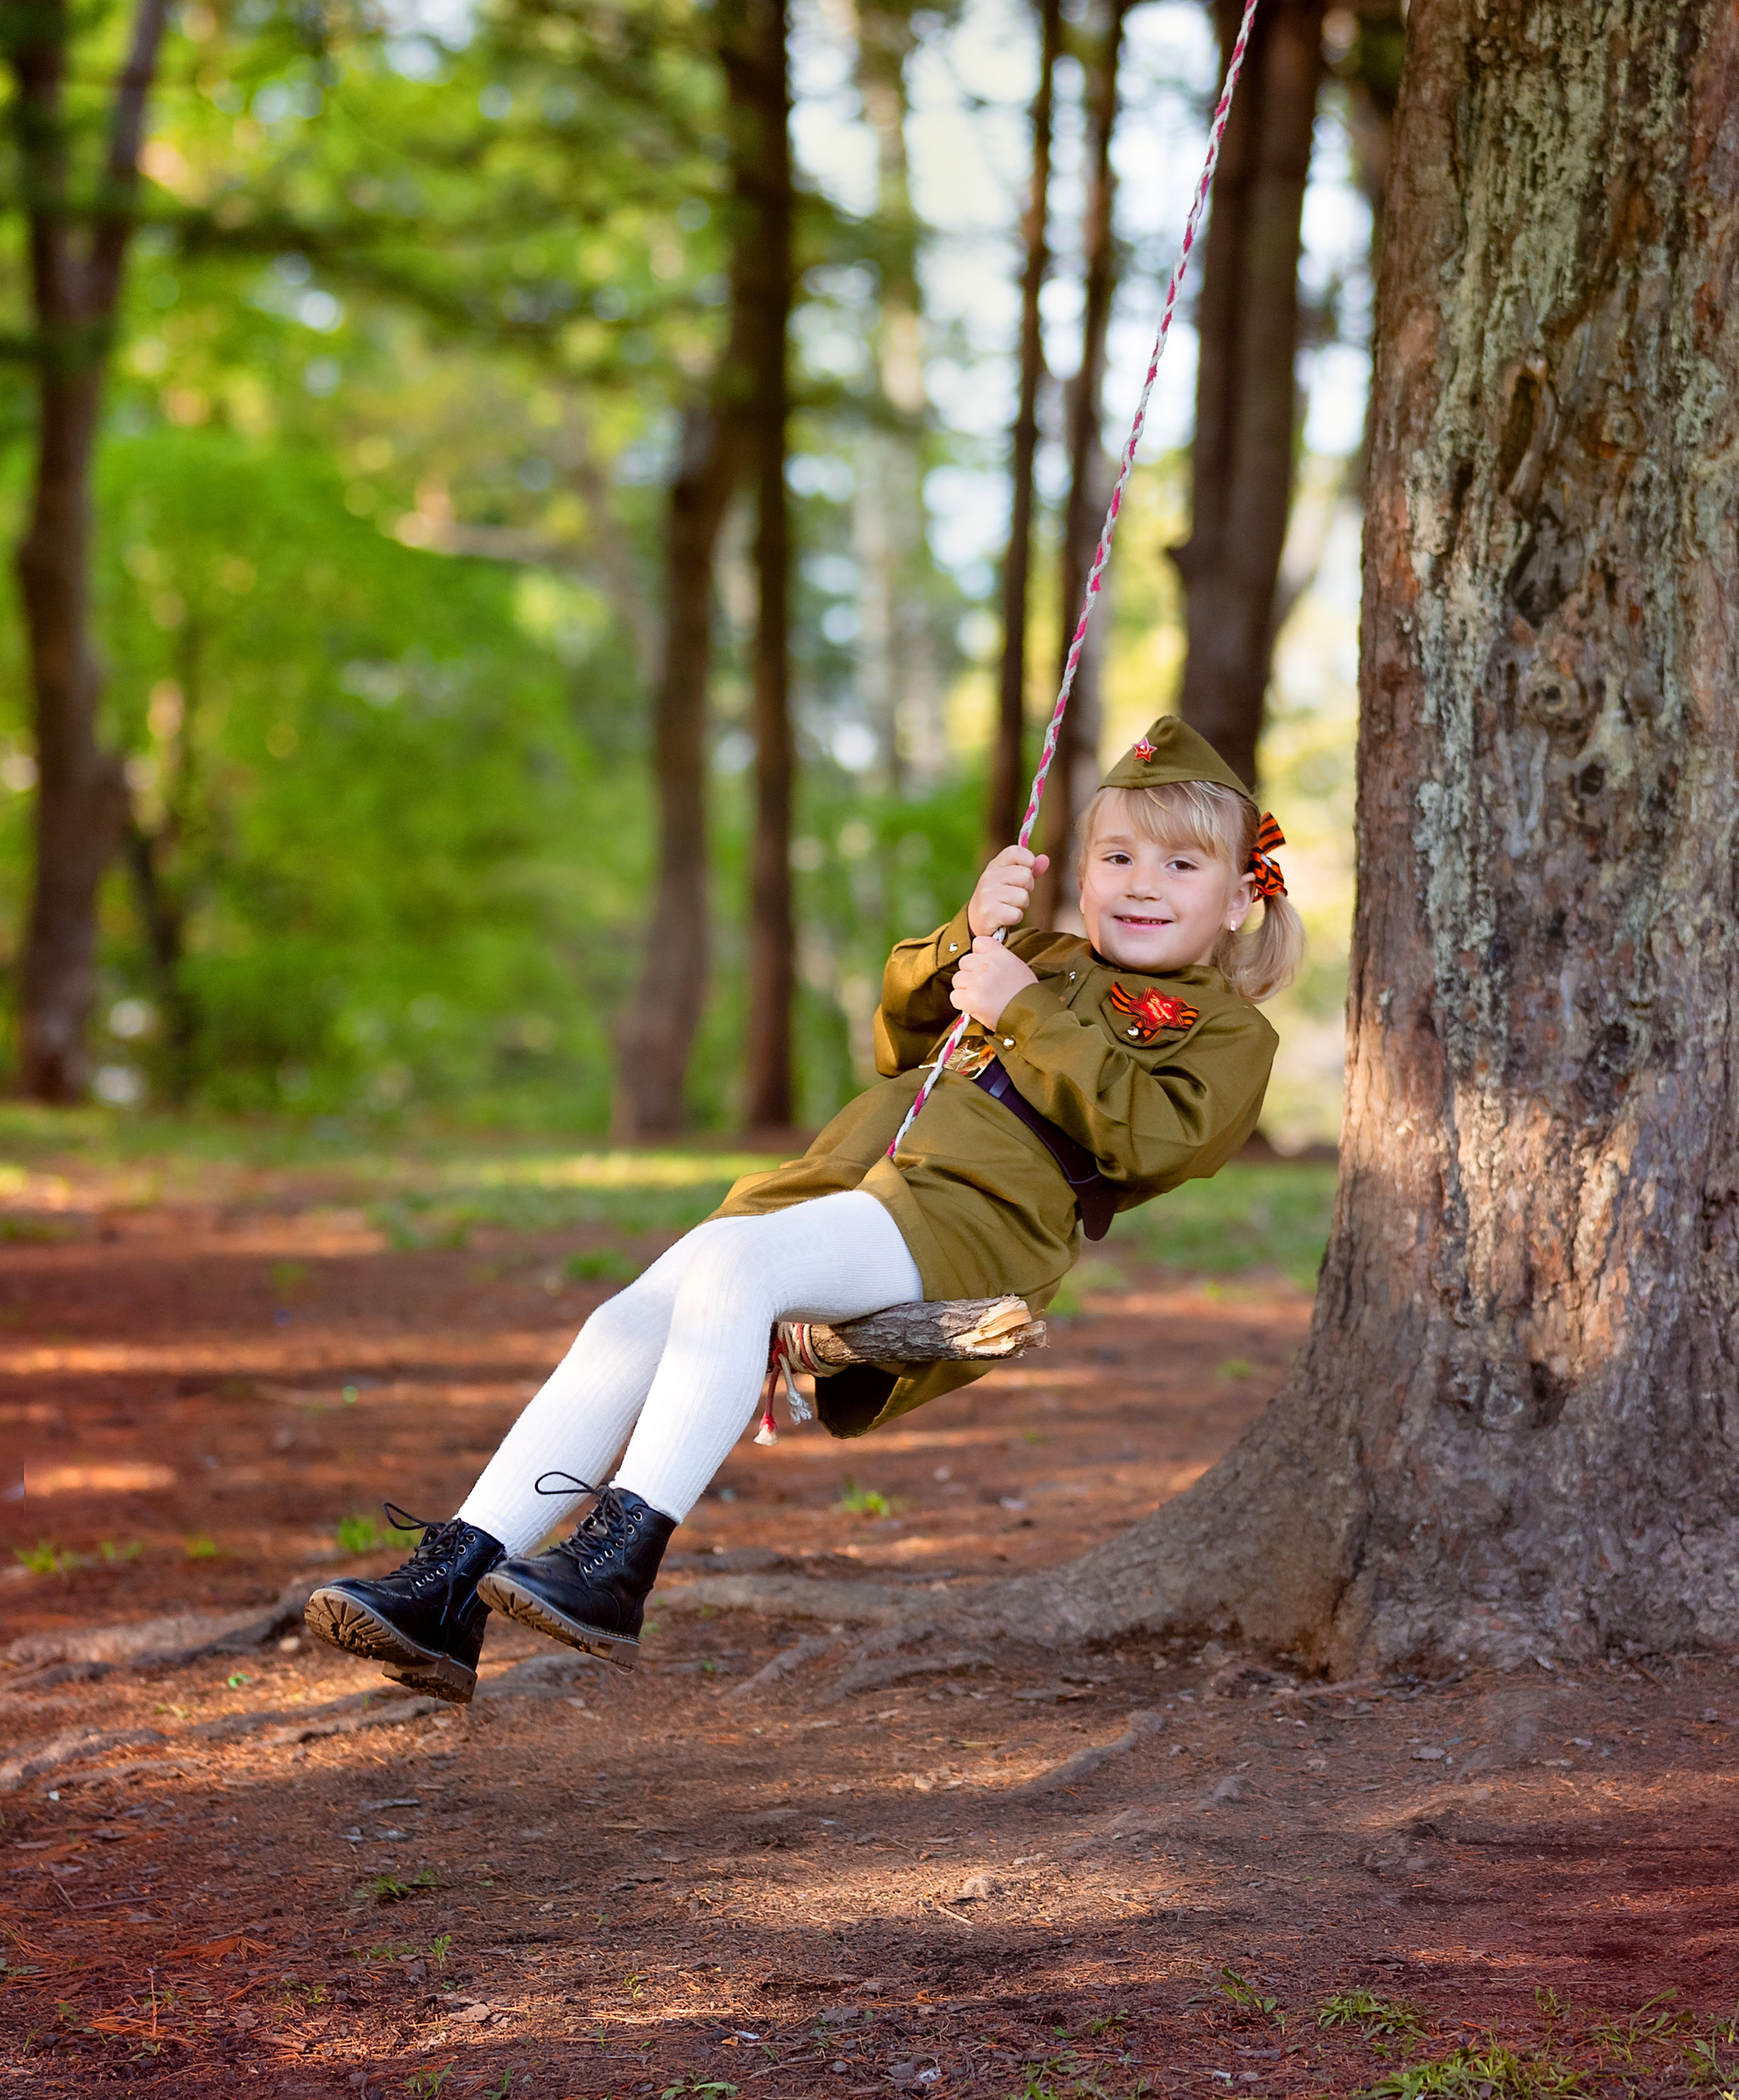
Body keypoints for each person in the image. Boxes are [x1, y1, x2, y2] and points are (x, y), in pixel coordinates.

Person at [304, 718, 1303, 1703]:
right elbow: (904, 1025)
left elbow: (1156, 1136)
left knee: (739, 1272)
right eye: (1118, 855)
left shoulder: (1227, 1033)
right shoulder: (1041, 953)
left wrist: (1023, 1012)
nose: (1139, 882)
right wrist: (971, 929)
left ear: (1233, 904)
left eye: (1180, 867)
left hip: (977, 1217)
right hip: (850, 1182)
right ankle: (452, 1585)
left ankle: (619, 1563)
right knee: (625, 1323)